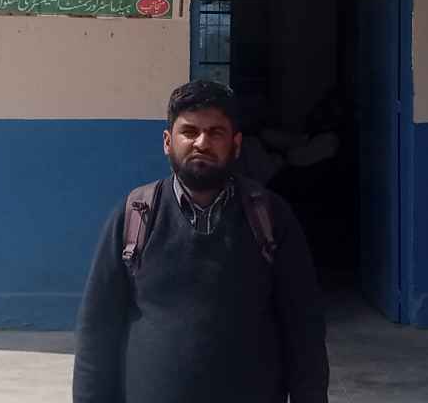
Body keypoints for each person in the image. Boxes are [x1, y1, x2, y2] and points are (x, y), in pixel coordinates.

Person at [72, 80, 329, 403]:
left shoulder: (269, 217)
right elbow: (97, 330)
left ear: (236, 144)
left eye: (215, 132)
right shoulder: (135, 216)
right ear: (168, 142)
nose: (202, 143)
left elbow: (304, 329)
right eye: (189, 132)